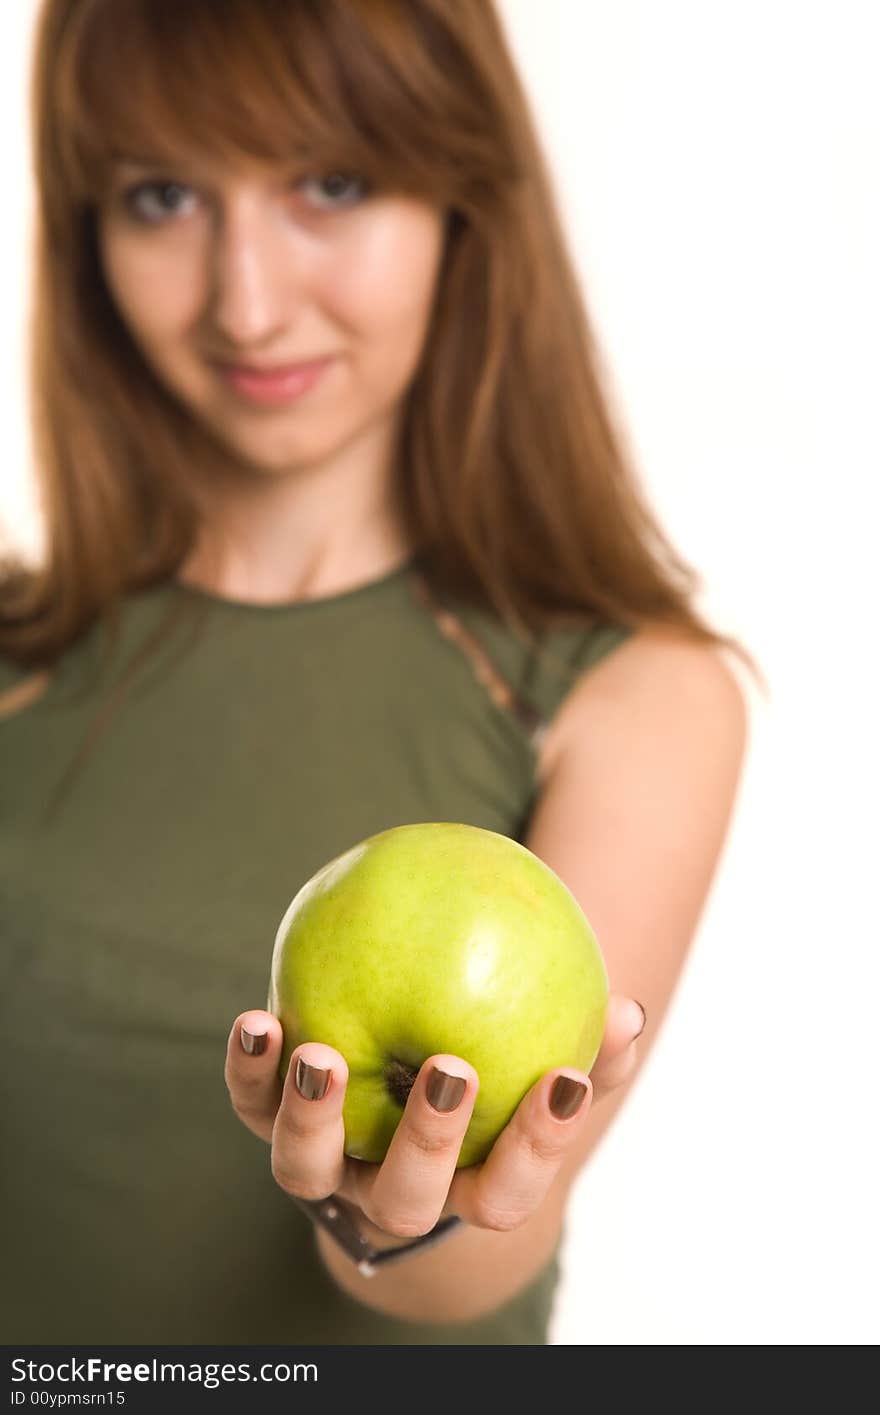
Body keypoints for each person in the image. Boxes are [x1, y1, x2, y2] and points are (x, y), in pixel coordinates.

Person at [0, 0, 759, 1345]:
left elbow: (469, 1271)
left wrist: (396, 1214)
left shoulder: (626, 695)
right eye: (164, 194)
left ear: (464, 199)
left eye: (330, 184)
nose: (246, 299)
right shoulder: (18, 651)